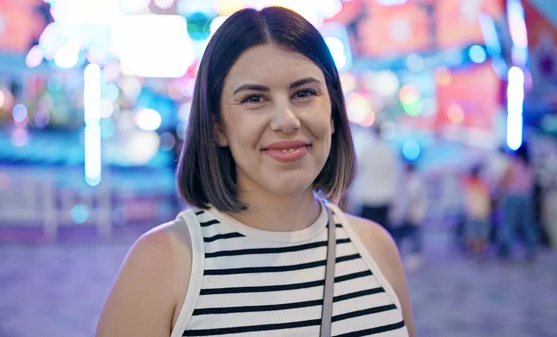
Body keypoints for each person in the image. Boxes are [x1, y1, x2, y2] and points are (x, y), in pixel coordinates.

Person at [96, 7, 414, 337]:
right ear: (217, 126)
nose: (286, 120)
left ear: (333, 112)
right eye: (254, 98)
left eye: (304, 93)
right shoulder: (163, 263)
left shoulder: (376, 249)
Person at [354, 125, 401, 231]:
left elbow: (358, 170)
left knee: (367, 232)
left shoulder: (367, 151)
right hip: (385, 197)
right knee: (382, 232)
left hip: (368, 196)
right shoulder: (390, 152)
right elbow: (395, 176)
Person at [497, 143, 538, 260]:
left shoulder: (514, 164)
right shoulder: (530, 165)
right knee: (527, 224)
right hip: (527, 197)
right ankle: (532, 250)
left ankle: (506, 251)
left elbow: (504, 179)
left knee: (509, 224)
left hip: (513, 196)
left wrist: (500, 188)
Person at [392, 161, 427, 271]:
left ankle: (415, 258)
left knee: (415, 238)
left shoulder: (418, 182)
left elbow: (422, 200)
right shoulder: (400, 182)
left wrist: (419, 214)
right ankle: (398, 258)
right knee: (399, 239)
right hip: (401, 216)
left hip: (414, 215)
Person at [461, 165, 492, 257]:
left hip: (474, 212)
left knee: (474, 233)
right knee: (481, 233)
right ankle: (480, 251)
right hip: (482, 212)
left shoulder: (469, 184)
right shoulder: (483, 184)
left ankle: (476, 251)